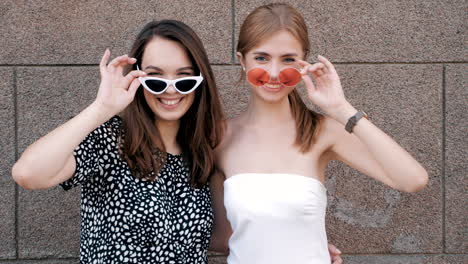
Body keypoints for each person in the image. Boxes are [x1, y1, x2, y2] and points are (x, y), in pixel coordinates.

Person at [209, 3, 428, 264]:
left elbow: (412, 179)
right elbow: (223, 238)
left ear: (303, 63)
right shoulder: (219, 138)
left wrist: (341, 108)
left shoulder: (323, 131)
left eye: (288, 59)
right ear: (241, 60)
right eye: (262, 58)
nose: (275, 73)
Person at [12, 20, 225, 263]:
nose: (170, 89)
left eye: (184, 78)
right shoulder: (111, 139)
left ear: (200, 82)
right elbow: (27, 174)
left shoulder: (201, 152)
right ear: (137, 78)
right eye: (155, 77)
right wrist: (101, 108)